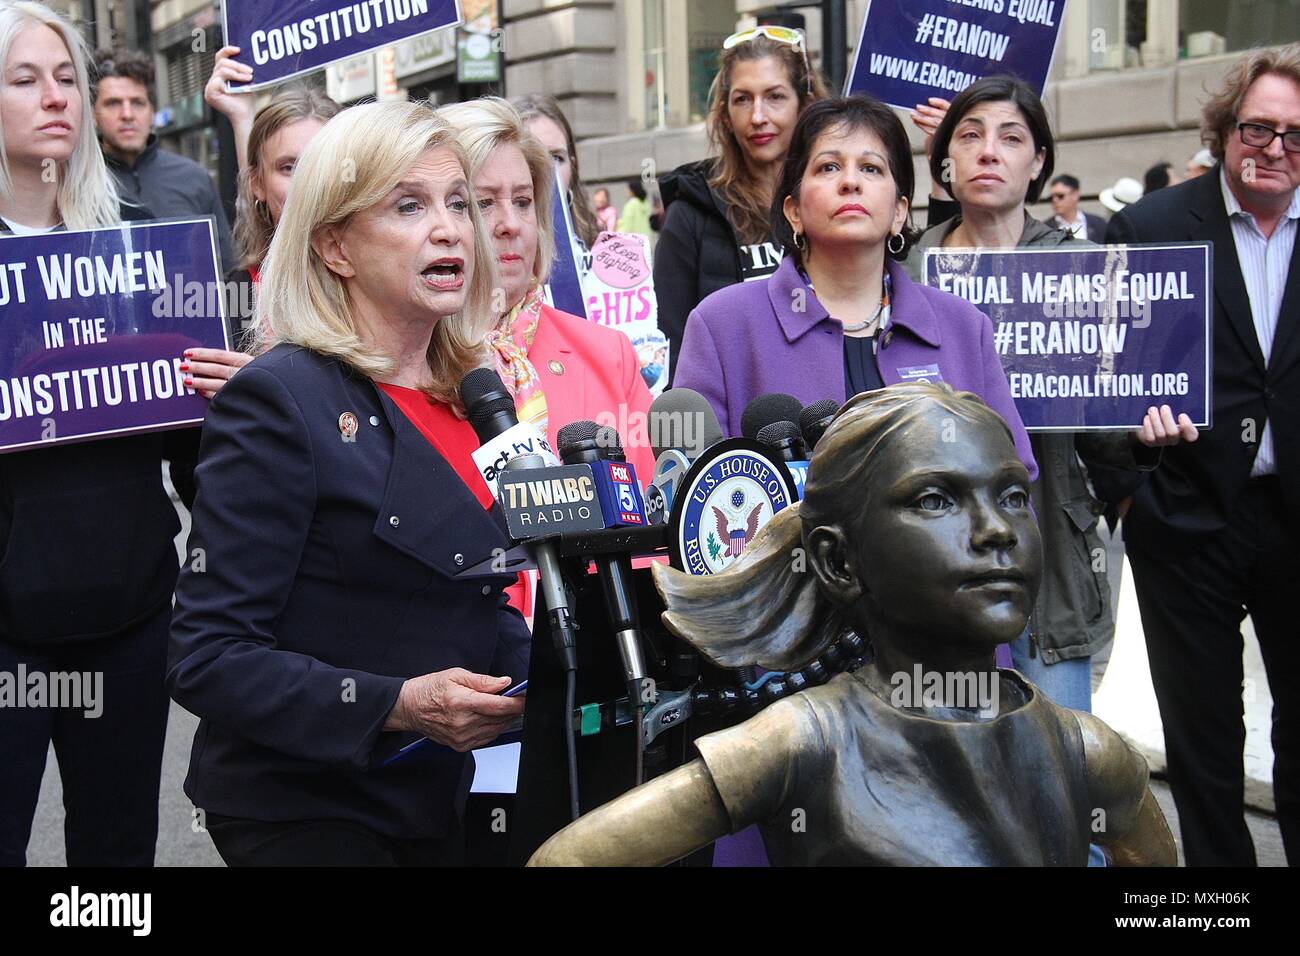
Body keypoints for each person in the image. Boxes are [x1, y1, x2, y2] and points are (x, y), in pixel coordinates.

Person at [528, 384, 1178, 867]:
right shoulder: (800, 741)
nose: (996, 531)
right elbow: (571, 859)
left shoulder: (1086, 752)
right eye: (935, 500)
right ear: (839, 559)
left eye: (1011, 496)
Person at [167, 100, 530, 866]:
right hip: (306, 807)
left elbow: (479, 597)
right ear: (334, 245)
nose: (450, 228)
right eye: (408, 205)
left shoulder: (476, 395)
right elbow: (207, 654)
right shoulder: (280, 398)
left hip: (442, 800)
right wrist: (396, 706)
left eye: (457, 204)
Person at [903, 76, 1195, 732]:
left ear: (1038, 162)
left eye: (1010, 138)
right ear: (945, 159)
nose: (988, 152)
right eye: (970, 135)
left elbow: (1105, 430)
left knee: (1062, 782)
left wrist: (1141, 437)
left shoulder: (1085, 268)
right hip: (930, 562)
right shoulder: (908, 273)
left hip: (1050, 569)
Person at [0, 0, 199, 867]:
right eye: (24, 78)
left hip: (130, 618)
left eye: (67, 78)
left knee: (118, 860)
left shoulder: (143, 254)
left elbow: (196, 460)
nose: (57, 98)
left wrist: (220, 395)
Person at [1104, 43, 1300, 866]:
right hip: (1185, 522)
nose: (1277, 149)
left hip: (1296, 522)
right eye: (1260, 128)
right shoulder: (1148, 230)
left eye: (1297, 135)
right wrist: (1128, 490)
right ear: (1224, 129)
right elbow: (1097, 380)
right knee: (1204, 749)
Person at [673, 94, 1036, 484]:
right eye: (829, 167)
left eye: (871, 168)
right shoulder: (722, 325)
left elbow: (1014, 482)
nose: (850, 182)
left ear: (899, 212)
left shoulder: (964, 327)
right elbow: (693, 495)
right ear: (793, 210)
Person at [438, 97, 654, 478]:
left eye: (523, 201)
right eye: (484, 203)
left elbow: (653, 515)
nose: (512, 224)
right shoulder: (409, 357)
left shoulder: (608, 353)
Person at [654, 26, 828, 381]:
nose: (758, 116)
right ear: (725, 114)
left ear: (805, 105)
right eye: (742, 99)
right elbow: (673, 346)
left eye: (775, 96)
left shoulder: (831, 200)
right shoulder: (691, 212)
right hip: (732, 423)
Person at [183, 51, 340, 396]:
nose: (305, 182)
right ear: (257, 184)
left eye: (320, 162)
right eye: (288, 168)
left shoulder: (386, 279)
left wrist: (266, 384)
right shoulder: (230, 297)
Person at [91, 46, 234, 270]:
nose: (127, 114)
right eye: (113, 103)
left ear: (152, 110)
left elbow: (226, 268)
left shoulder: (194, 178)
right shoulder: (76, 185)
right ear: (93, 114)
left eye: (138, 103)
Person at [510, 93, 599, 249]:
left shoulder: (601, 251)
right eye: (529, 158)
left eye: (556, 158)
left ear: (572, 167)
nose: (545, 172)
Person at [1047, 173, 1107, 242]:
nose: (1055, 200)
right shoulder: (1045, 229)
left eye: (1060, 196)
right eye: (1051, 198)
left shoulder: (1099, 224)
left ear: (1075, 195)